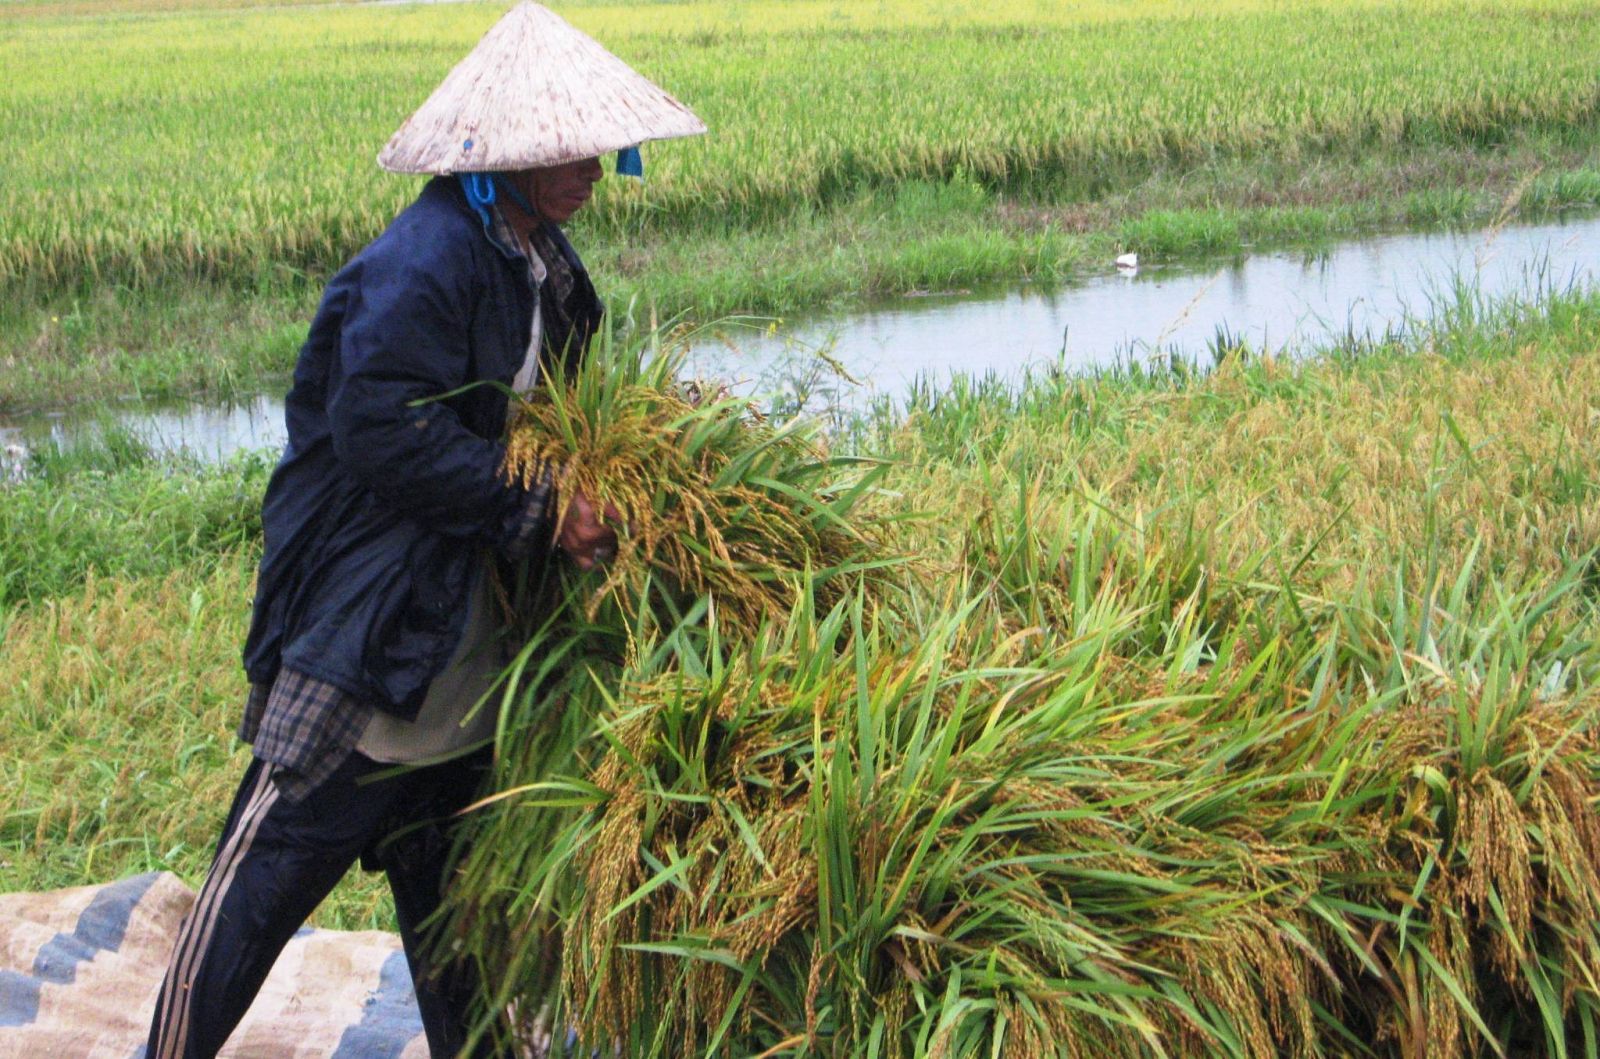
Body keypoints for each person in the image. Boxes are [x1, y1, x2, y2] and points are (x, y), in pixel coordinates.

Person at [143, 4, 704, 1056]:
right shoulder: (424, 263)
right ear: (507, 157)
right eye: (569, 149)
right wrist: (544, 508)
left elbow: (559, 410)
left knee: (462, 936)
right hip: (371, 636)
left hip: (464, 658)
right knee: (251, 903)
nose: (593, 168)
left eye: (597, 147)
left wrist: (644, 451)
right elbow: (380, 430)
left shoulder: (543, 262)